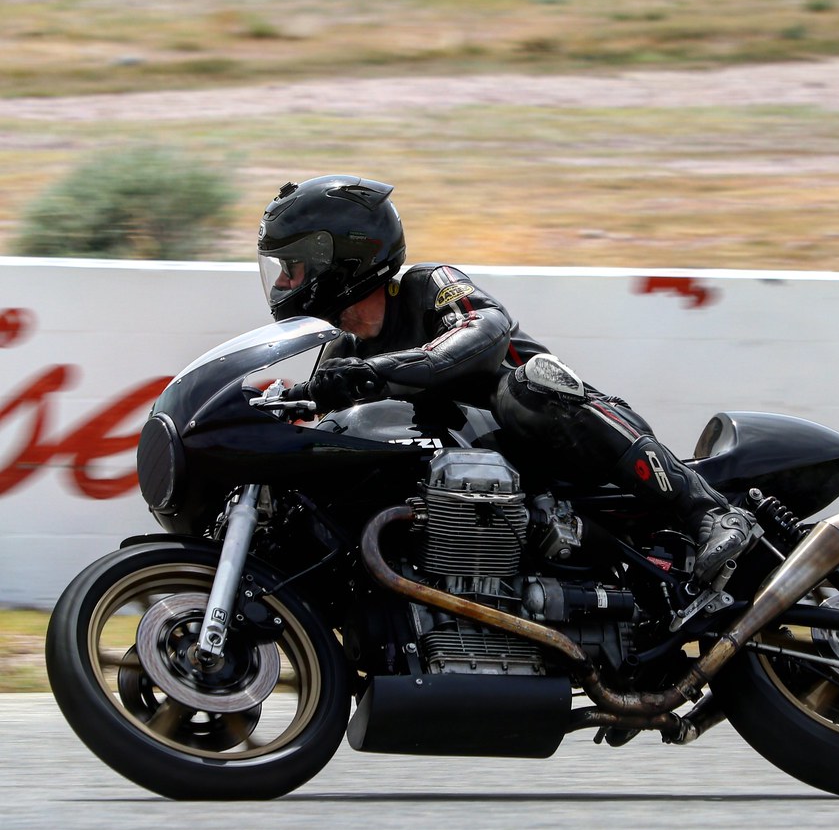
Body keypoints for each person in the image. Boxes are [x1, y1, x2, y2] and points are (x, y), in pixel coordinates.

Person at [257, 174, 757, 581]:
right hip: (479, 491)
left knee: (527, 386)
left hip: (562, 440)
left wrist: (374, 373)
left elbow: (484, 329)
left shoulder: (430, 285)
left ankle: (708, 512)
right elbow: (324, 416)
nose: (282, 282)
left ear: (345, 258)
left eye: (294, 267)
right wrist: (287, 404)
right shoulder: (342, 351)